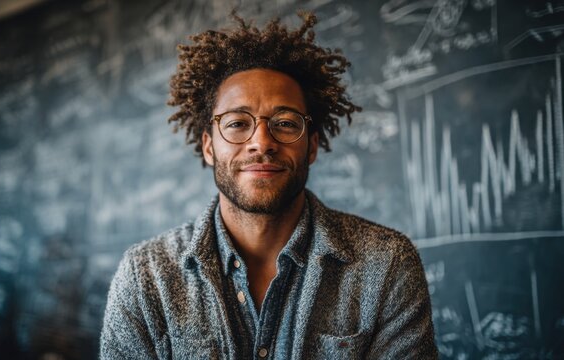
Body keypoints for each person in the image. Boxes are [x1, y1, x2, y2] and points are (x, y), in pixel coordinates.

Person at [100, 11, 437, 359]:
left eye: (286, 123)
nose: (261, 141)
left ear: (313, 146)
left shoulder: (387, 265)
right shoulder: (145, 278)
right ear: (208, 146)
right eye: (236, 123)